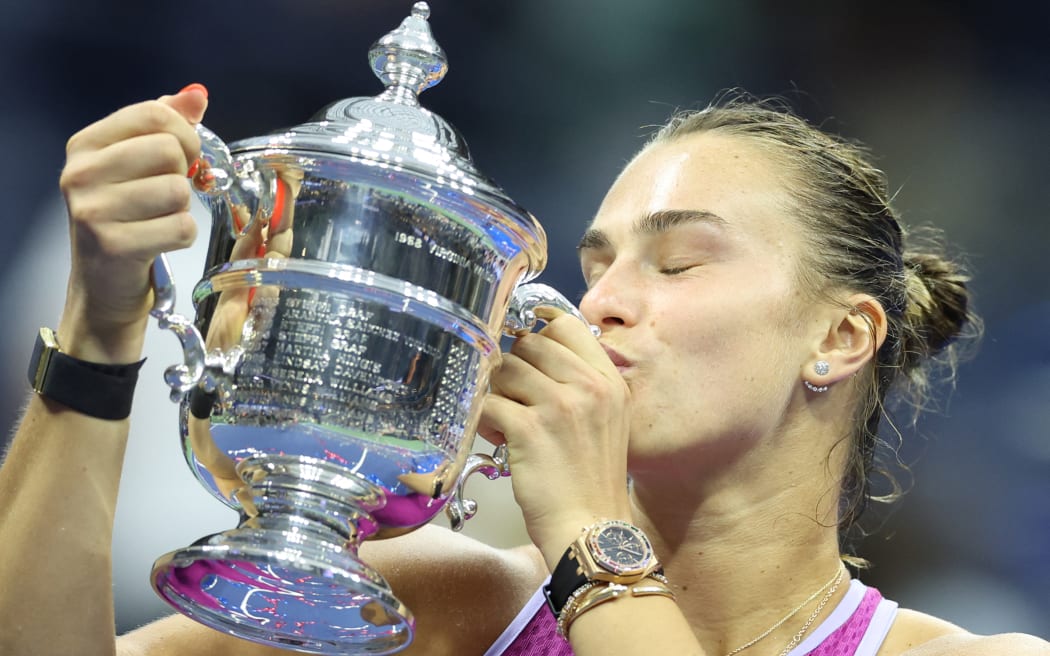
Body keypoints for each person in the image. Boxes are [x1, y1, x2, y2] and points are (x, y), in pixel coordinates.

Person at [0, 83, 1046, 656]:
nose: (604, 305)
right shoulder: (446, 605)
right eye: (598, 268)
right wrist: (97, 326)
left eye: (679, 260)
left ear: (839, 338)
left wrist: (590, 529)